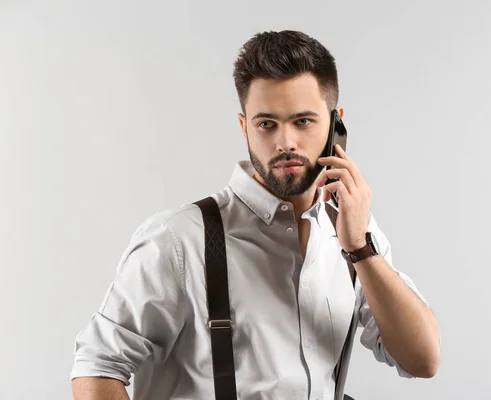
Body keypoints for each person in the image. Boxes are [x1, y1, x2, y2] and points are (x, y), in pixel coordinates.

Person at [70, 30, 441, 400]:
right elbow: (97, 369)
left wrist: (360, 248)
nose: (285, 142)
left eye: (303, 121)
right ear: (244, 125)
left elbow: (422, 361)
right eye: (267, 124)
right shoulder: (177, 240)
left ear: (335, 124)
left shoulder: (353, 233)